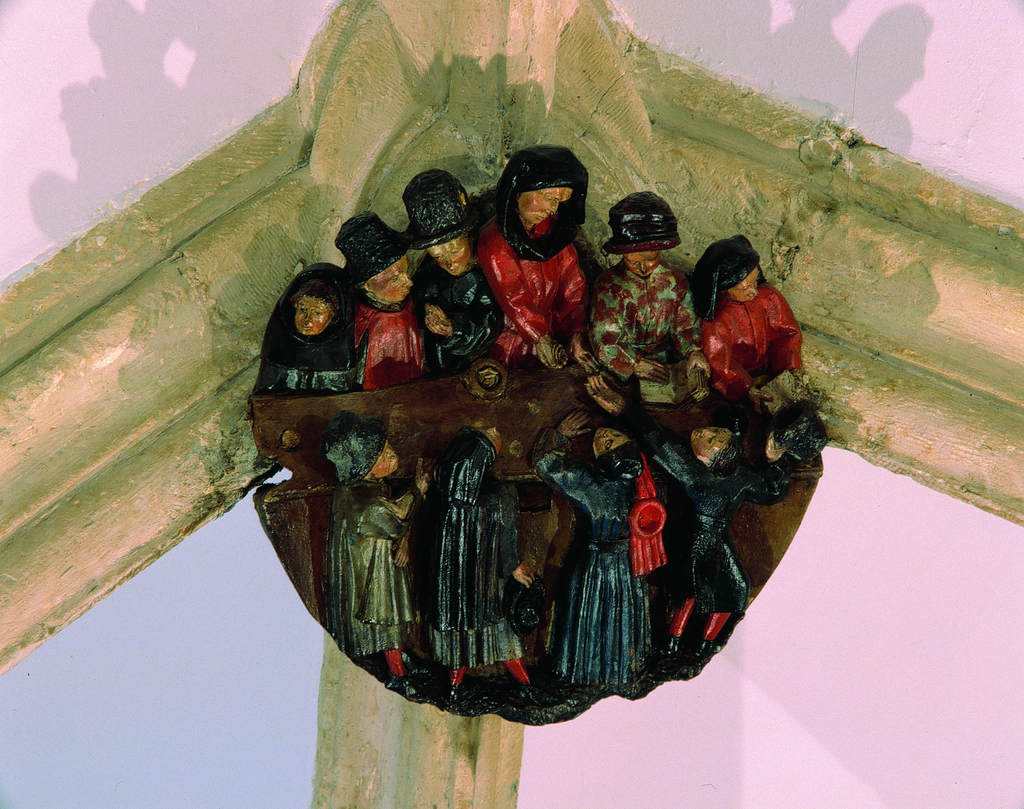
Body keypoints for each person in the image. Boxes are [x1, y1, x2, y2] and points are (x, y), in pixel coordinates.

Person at [586, 376, 791, 655]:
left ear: (714, 459)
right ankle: (675, 638)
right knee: (691, 591)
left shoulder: (703, 473)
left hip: (708, 542)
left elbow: (771, 491)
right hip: (698, 539)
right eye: (713, 431)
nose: (705, 433)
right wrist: (624, 410)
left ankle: (703, 641)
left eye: (713, 440)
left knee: (726, 589)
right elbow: (657, 438)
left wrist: (773, 459)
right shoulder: (708, 470)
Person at [533, 411, 665, 685]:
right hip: (602, 564)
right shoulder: (592, 477)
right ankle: (586, 674)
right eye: (603, 440)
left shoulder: (624, 483)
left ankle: (607, 673)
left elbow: (546, 463)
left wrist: (560, 435)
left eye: (612, 441)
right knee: (593, 616)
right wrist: (561, 436)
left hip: (612, 565)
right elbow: (546, 466)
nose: (605, 438)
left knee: (609, 616)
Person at [320, 410, 428, 696]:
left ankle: (401, 659)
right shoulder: (366, 504)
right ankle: (397, 674)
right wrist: (418, 489)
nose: (392, 454)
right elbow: (397, 518)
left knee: (395, 619)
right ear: (367, 468)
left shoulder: (366, 487)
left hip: (381, 562)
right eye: (383, 456)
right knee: (387, 619)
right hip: (374, 572)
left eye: (387, 447)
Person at [422, 425, 535, 697]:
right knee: (502, 632)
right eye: (490, 435)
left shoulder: (441, 489)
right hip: (487, 584)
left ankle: (455, 686)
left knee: (459, 636)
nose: (495, 429)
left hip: (453, 587)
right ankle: (523, 685)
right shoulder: (498, 493)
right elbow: (507, 537)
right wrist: (514, 565)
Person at [477, 145, 592, 370]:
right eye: (548, 197)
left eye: (559, 201)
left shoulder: (553, 232)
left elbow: (573, 284)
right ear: (518, 191)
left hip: (550, 336)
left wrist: (576, 333)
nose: (552, 209)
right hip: (508, 341)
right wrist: (540, 337)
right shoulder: (495, 240)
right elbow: (513, 294)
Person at [589, 192, 709, 385]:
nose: (643, 268)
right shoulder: (608, 286)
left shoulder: (676, 280)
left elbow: (685, 326)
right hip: (622, 367)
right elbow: (604, 340)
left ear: (661, 250)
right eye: (633, 262)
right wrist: (634, 364)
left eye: (651, 259)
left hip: (667, 364)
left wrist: (694, 352)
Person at [403, 169, 502, 374]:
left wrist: (453, 328)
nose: (449, 263)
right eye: (438, 256)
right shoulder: (428, 277)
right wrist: (426, 312)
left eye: (455, 251)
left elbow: (490, 326)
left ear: (469, 236)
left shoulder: (488, 275)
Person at [690, 234, 802, 406]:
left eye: (755, 282)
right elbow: (720, 361)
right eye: (745, 288)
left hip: (771, 375)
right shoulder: (717, 319)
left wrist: (789, 370)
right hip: (737, 387)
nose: (754, 292)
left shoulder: (769, 297)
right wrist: (746, 389)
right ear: (724, 289)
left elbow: (787, 334)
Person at [335, 211, 424, 390]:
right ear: (367, 285)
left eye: (406, 271)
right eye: (395, 279)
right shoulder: (359, 324)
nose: (409, 282)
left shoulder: (412, 304)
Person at [253, 262, 356, 394]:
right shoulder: (278, 352)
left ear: (333, 317)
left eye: (317, 312)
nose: (307, 319)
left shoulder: (340, 360)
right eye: (302, 309)